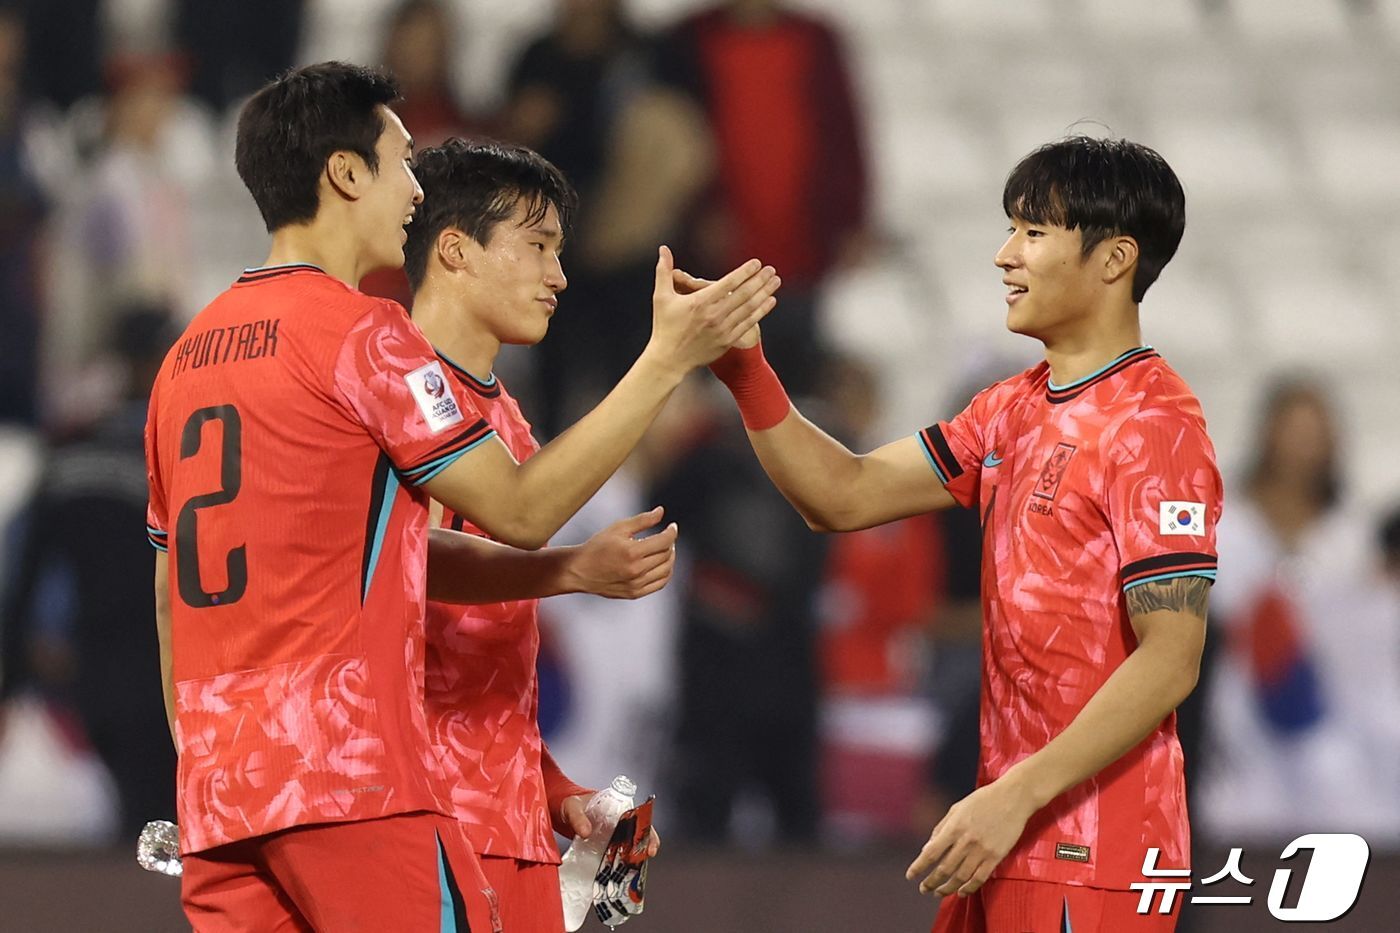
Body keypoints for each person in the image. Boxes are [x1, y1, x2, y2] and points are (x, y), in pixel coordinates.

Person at [145, 62, 773, 932]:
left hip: (222, 798)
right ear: (346, 174)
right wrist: (667, 359)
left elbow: (173, 591)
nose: (414, 189)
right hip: (349, 779)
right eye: (402, 162)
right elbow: (517, 508)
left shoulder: (187, 355)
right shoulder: (366, 333)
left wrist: (205, 754)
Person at [701, 136, 1222, 932]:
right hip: (1003, 831)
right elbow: (843, 493)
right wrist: (746, 369)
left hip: (1094, 850)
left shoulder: (1156, 426)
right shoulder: (1009, 407)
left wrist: (1014, 794)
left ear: (1115, 259)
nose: (1005, 255)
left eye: (1034, 232)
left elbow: (1171, 657)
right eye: (1012, 228)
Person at [404, 138, 668, 931]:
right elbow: (407, 575)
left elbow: (473, 673)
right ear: (454, 249)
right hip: (417, 829)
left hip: (502, 833)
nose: (558, 275)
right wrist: (572, 568)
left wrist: (559, 797)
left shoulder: (504, 419)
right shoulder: (397, 388)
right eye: (538, 246)